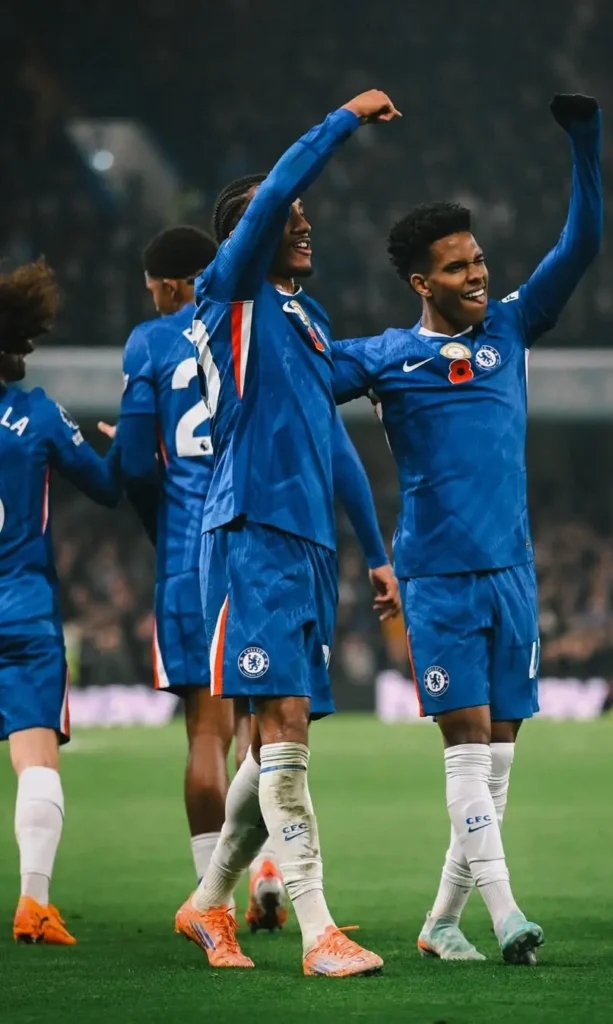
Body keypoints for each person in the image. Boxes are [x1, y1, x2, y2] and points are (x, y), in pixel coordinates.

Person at [332, 94, 603, 964]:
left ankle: (441, 920)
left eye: (479, 260)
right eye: (457, 267)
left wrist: (584, 141)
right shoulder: (385, 357)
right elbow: (298, 378)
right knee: (463, 757)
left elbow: (583, 245)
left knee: (497, 769)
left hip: (512, 575)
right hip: (438, 581)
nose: (477, 275)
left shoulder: (512, 329)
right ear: (422, 281)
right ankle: (506, 915)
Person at [113, 225, 399, 935]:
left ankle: (215, 898)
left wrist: (150, 516)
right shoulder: (274, 327)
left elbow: (136, 467)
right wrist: (374, 548)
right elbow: (338, 454)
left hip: (198, 548)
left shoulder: (156, 341)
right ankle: (264, 875)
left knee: (210, 734)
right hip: (278, 535)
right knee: (271, 727)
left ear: (173, 285)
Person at [174, 89, 402, 975]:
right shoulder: (225, 297)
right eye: (291, 218)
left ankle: (205, 905)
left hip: (308, 544)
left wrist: (376, 552)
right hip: (251, 529)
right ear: (251, 232)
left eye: (308, 219)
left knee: (279, 734)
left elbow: (337, 441)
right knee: (284, 725)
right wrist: (341, 120)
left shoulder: (305, 322)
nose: (304, 228)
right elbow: (270, 198)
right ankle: (317, 933)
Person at [0, 260, 121, 944]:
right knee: (35, 760)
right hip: (20, 611)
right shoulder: (36, 415)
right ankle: (33, 904)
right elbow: (105, 487)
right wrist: (129, 439)